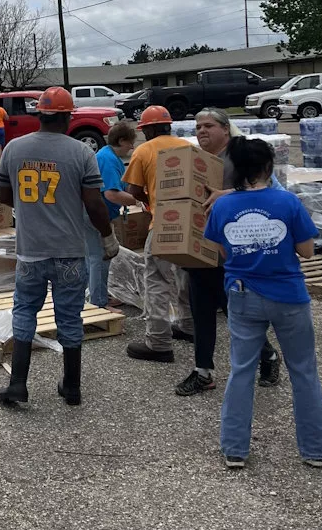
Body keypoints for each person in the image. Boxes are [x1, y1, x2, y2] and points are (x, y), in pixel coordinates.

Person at [205, 136, 322, 469]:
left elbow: (223, 251)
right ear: (269, 166)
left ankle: (234, 449)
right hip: (288, 296)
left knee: (241, 371)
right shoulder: (288, 202)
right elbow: (307, 251)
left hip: (241, 294)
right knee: (303, 372)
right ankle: (318, 450)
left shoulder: (222, 206)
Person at [0, 87, 119, 407]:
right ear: (68, 116)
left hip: (30, 251)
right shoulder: (81, 153)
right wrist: (107, 236)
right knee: (69, 317)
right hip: (70, 252)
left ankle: (18, 386)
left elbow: (3, 195)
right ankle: (72, 387)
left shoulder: (14, 148)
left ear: (40, 114)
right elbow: (93, 202)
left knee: (25, 311)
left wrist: (26, 208)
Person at [175, 107, 283, 396]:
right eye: (198, 127)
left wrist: (228, 193)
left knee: (235, 310)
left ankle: (268, 355)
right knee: (201, 310)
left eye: (208, 126)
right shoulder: (197, 158)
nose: (201, 131)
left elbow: (268, 187)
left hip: (233, 249)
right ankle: (203, 372)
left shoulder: (241, 152)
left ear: (225, 128)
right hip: (199, 246)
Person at [122, 105, 196, 363]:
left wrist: (150, 202)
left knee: (156, 280)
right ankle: (188, 326)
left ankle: (158, 342)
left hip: (163, 222)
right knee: (186, 276)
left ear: (150, 129)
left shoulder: (144, 151)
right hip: (191, 223)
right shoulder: (188, 146)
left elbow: (133, 190)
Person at [85, 121, 138, 308]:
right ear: (121, 140)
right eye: (130, 143)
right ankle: (98, 302)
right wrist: (140, 200)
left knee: (94, 256)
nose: (132, 147)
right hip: (97, 215)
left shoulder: (107, 156)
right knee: (101, 257)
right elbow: (111, 194)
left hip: (95, 213)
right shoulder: (108, 159)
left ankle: (97, 296)